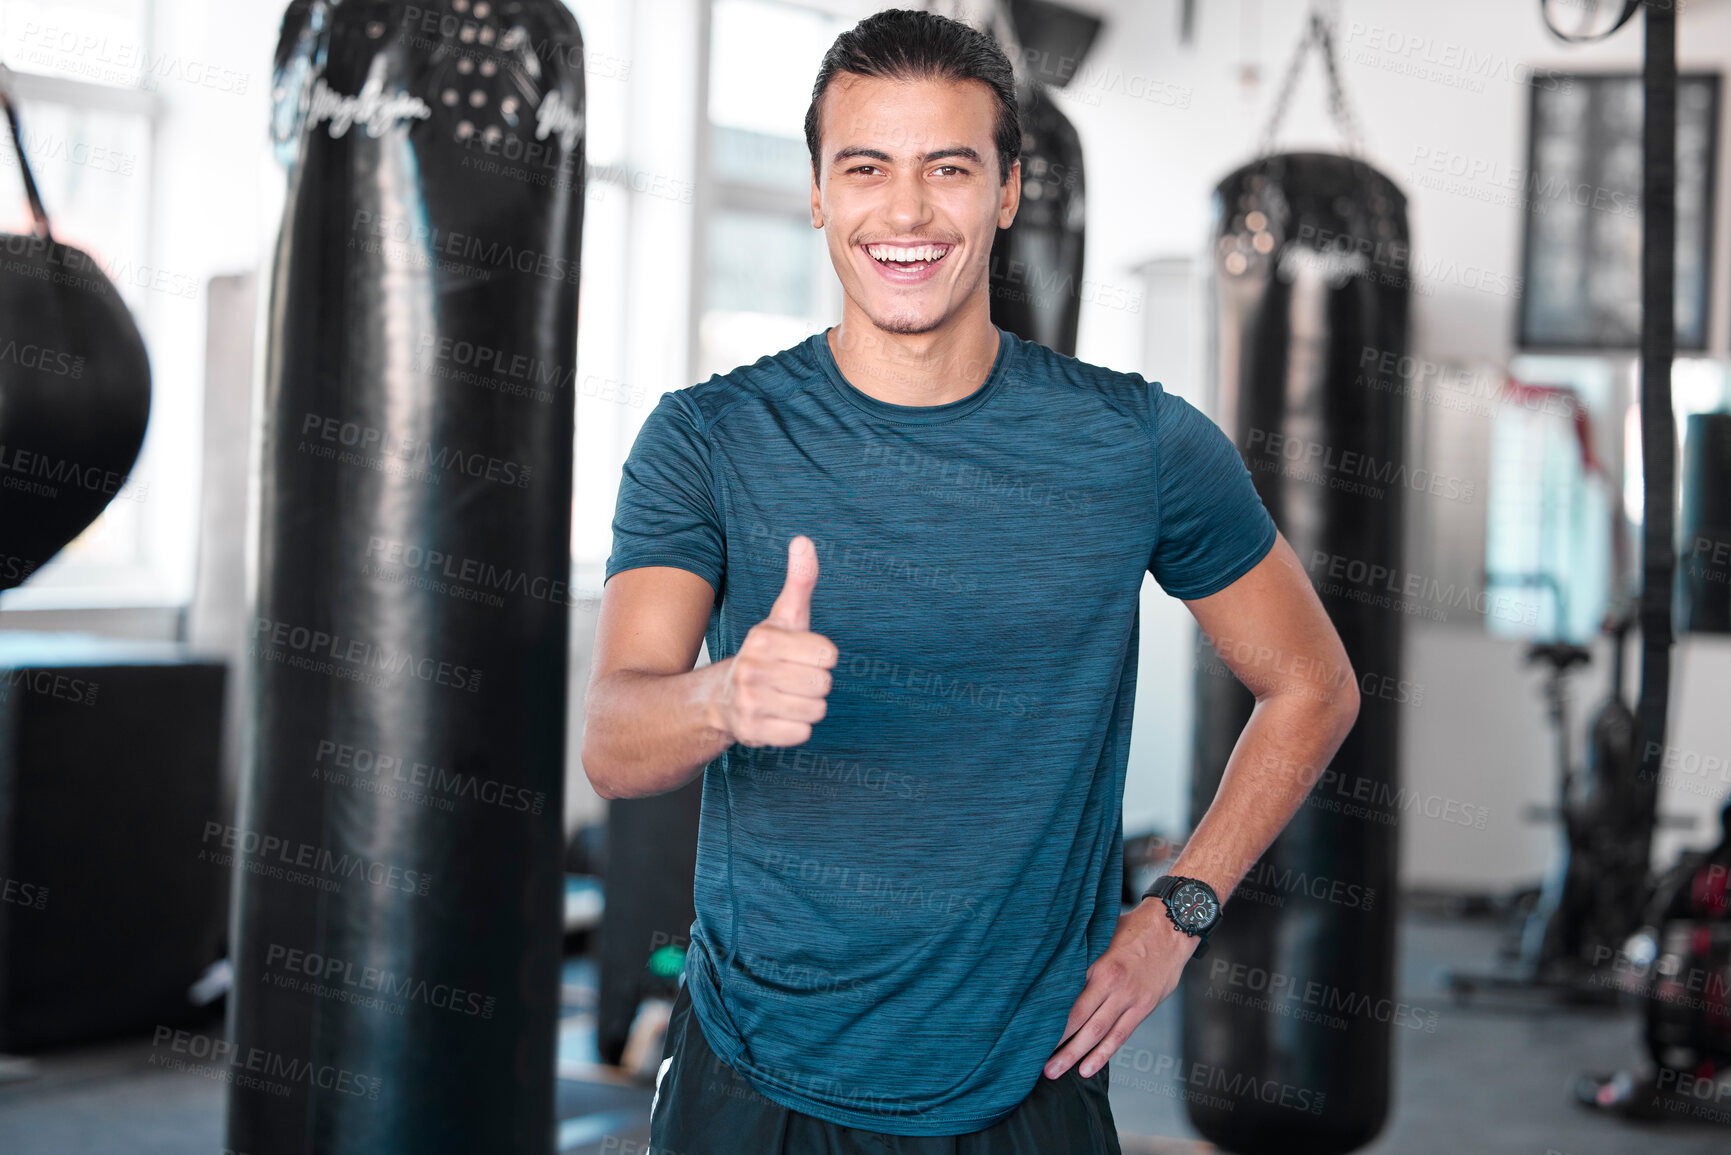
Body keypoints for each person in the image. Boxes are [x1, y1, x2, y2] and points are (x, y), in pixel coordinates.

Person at [581, 8, 1358, 1152]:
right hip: (754, 1080)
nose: (904, 213)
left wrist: (1179, 912)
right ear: (816, 193)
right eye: (865, 169)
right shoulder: (708, 438)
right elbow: (611, 737)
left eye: (948, 169)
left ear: (1006, 192)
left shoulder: (1139, 445)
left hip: (1024, 1086)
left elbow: (1313, 684)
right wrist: (721, 698)